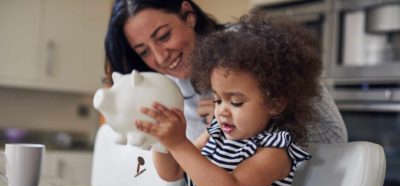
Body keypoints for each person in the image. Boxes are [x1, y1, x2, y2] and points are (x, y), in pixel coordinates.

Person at [135, 11, 321, 186]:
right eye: (217, 100)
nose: (222, 110)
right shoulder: (214, 134)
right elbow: (173, 171)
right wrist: (161, 141)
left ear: (275, 103)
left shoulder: (274, 153)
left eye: (236, 102)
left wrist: (178, 143)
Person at [104, 0, 348, 144]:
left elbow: (333, 136)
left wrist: (245, 122)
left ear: (188, 15)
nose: (159, 57)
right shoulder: (173, 87)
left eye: (164, 36)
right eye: (144, 51)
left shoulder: (247, 48)